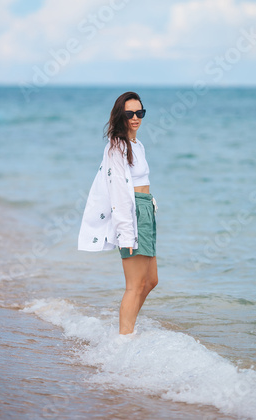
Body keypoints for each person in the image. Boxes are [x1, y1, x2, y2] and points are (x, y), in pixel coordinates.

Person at [78, 91, 158, 335]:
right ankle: (123, 340)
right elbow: (119, 194)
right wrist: (125, 233)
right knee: (134, 286)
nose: (135, 118)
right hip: (131, 214)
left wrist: (150, 206)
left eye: (139, 113)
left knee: (151, 281)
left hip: (145, 210)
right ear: (120, 115)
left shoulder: (137, 144)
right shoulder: (117, 147)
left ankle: (128, 328)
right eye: (129, 113)